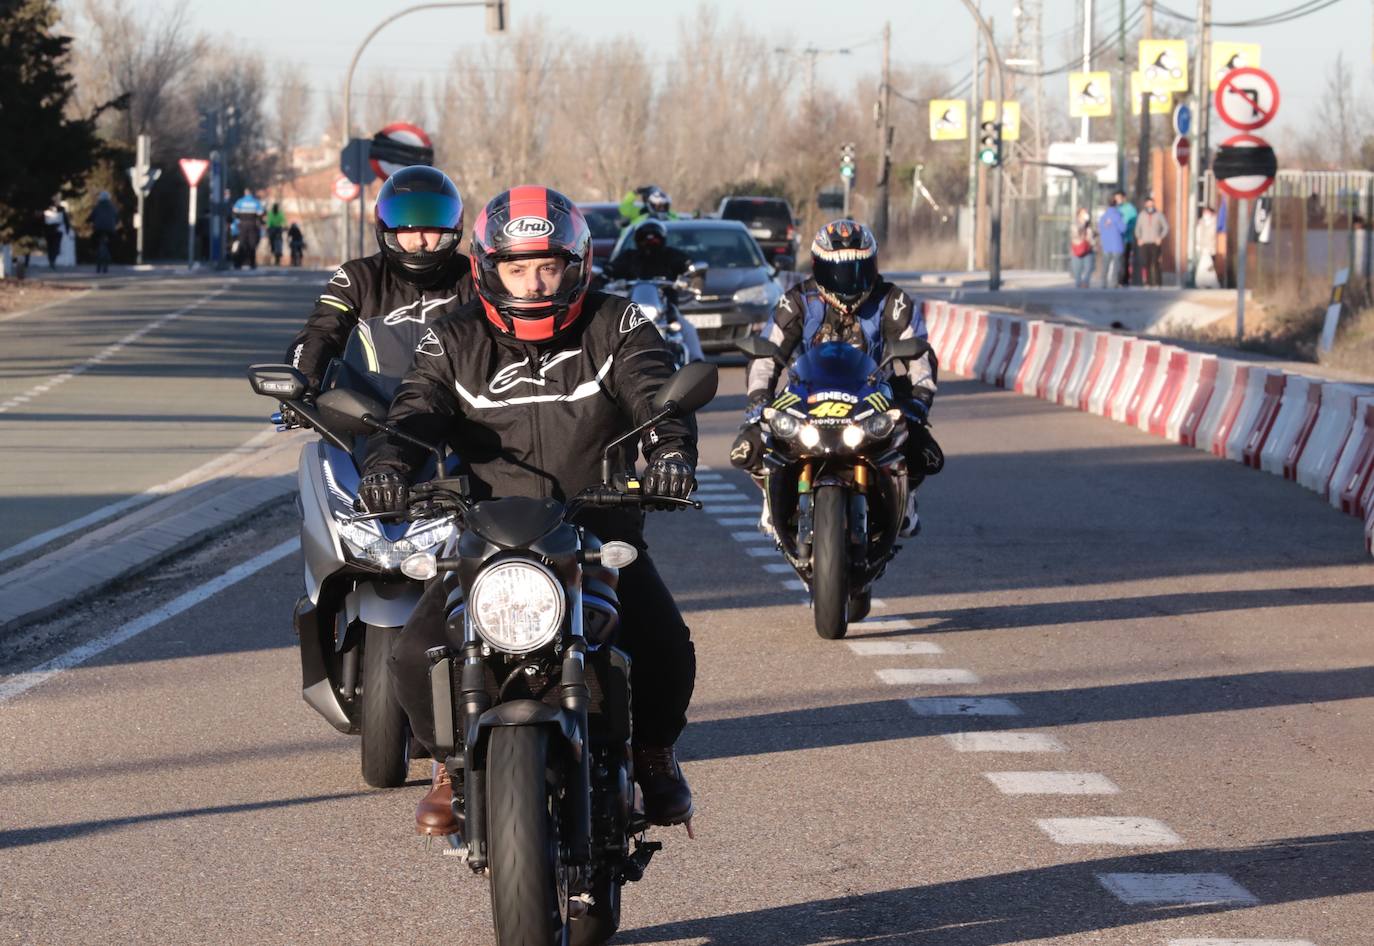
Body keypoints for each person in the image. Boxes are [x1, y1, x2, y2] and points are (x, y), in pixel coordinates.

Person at [357, 186, 699, 836]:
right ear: (490, 268)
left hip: (597, 532)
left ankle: (653, 754)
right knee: (413, 654)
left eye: (549, 267)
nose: (535, 283)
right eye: (517, 268)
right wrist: (386, 469)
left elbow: (658, 395)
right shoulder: (451, 340)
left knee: (664, 647)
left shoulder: (618, 325)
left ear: (576, 265)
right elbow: (413, 414)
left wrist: (670, 455)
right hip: (488, 538)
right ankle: (452, 766)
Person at [730, 219, 942, 538]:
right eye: (838, 271)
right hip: (804, 394)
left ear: (872, 265)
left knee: (924, 450)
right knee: (748, 445)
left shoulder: (893, 301)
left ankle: (904, 496)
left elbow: (919, 355)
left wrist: (918, 402)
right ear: (819, 268)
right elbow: (766, 352)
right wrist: (759, 400)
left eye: (858, 269)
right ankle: (771, 498)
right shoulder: (797, 300)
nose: (848, 281)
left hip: (874, 397)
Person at [282, 166, 473, 418]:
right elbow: (321, 332)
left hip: (459, 420)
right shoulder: (358, 278)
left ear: (452, 226)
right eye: (407, 229)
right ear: (387, 227)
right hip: (370, 418)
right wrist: (303, 385)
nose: (419, 240)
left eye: (430, 228)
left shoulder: (473, 278)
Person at [1134, 197, 1169, 288]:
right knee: (1146, 263)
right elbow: (1137, 228)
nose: (1150, 206)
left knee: (1155, 263)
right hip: (1144, 242)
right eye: (1148, 204)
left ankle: (1157, 283)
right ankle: (1148, 282)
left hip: (1155, 242)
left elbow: (1166, 227)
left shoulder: (1159, 215)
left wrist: (1160, 237)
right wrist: (1139, 238)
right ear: (1145, 205)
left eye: (1152, 204)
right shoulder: (1141, 215)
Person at [231, 189, 265, 269]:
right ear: (251, 193)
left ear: (245, 193)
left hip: (242, 225)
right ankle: (252, 263)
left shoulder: (240, 201)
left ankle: (239, 263)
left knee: (242, 243)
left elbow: (234, 212)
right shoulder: (255, 202)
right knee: (252, 244)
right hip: (252, 225)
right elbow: (261, 213)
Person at [1098, 196, 1126, 289]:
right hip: (1116, 244)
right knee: (1116, 265)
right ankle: (1114, 283)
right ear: (1116, 204)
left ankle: (1103, 283)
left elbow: (1100, 229)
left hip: (1106, 244)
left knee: (1105, 264)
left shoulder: (1103, 217)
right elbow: (1123, 228)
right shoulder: (1118, 215)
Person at [88, 192, 118, 274]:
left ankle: (93, 251)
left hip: (98, 229)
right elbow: (117, 217)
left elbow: (91, 217)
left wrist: (88, 221)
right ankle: (110, 254)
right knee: (112, 242)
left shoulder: (97, 207)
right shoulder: (112, 207)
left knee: (94, 240)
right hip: (110, 229)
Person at [1070, 206, 1096, 289]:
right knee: (1077, 271)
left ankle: (1085, 283)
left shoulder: (1090, 225)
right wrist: (1083, 225)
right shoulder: (1074, 225)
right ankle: (1078, 285)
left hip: (1088, 249)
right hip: (1078, 249)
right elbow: (1076, 234)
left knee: (1089, 268)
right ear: (1078, 215)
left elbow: (1093, 236)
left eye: (1086, 213)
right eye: (1083, 213)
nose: (1085, 215)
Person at [1195, 205, 1220, 288]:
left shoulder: (1214, 222)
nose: (1205, 214)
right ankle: (1202, 283)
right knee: (1202, 266)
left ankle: (1211, 283)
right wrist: (1198, 244)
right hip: (1203, 247)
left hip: (1211, 248)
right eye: (1204, 212)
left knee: (1210, 267)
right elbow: (1198, 234)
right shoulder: (1201, 222)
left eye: (1207, 212)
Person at [1116, 190, 1138, 286]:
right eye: (1116, 198)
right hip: (1116, 239)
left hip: (1126, 239)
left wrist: (1124, 229)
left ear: (1124, 198)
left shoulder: (1130, 209)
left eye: (1119, 198)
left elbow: (1133, 223)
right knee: (1118, 259)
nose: (1117, 200)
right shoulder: (1116, 209)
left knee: (1124, 259)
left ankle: (1124, 280)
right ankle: (1118, 279)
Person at [42, 198, 69, 270]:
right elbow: (66, 219)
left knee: (51, 246)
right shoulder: (61, 209)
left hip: (50, 231)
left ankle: (51, 260)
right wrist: (67, 229)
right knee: (55, 246)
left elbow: (43, 221)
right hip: (57, 231)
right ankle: (52, 260)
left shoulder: (47, 209)